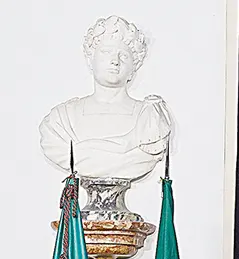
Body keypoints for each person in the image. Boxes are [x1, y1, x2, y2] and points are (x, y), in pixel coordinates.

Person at [39, 15, 171, 180]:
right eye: (106, 52)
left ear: (134, 67)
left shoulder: (150, 118)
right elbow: (55, 148)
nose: (115, 61)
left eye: (123, 55)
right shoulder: (61, 119)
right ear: (90, 60)